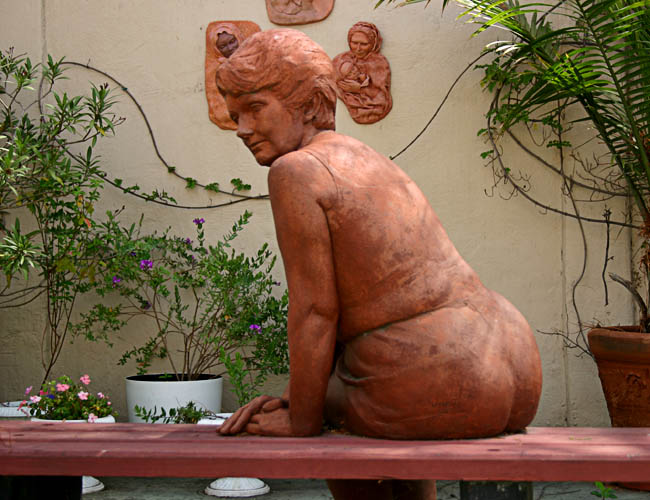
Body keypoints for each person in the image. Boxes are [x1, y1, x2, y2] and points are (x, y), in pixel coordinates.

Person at [216, 29, 542, 500]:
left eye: (255, 108)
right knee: (353, 382)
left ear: (310, 103)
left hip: (440, 374)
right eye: (235, 116)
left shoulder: (297, 171)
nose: (242, 129)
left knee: (325, 418)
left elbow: (315, 311)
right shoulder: (363, 156)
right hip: (510, 358)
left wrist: (301, 418)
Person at [333, 22, 392, 124]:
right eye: (354, 43)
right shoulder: (341, 59)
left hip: (373, 107)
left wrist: (359, 89)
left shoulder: (378, 63)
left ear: (373, 44)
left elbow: (381, 95)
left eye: (364, 44)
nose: (358, 48)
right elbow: (331, 80)